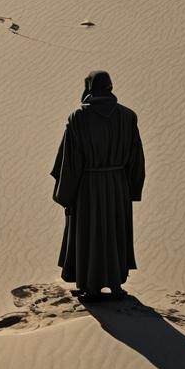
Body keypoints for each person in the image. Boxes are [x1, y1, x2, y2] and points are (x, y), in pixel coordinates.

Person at [49, 70, 145, 302]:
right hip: (117, 186)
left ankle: (90, 287)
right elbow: (137, 158)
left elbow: (70, 161)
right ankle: (114, 284)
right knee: (114, 232)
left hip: (87, 187)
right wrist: (131, 188)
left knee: (89, 233)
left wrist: (66, 195)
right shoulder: (128, 116)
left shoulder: (78, 118)